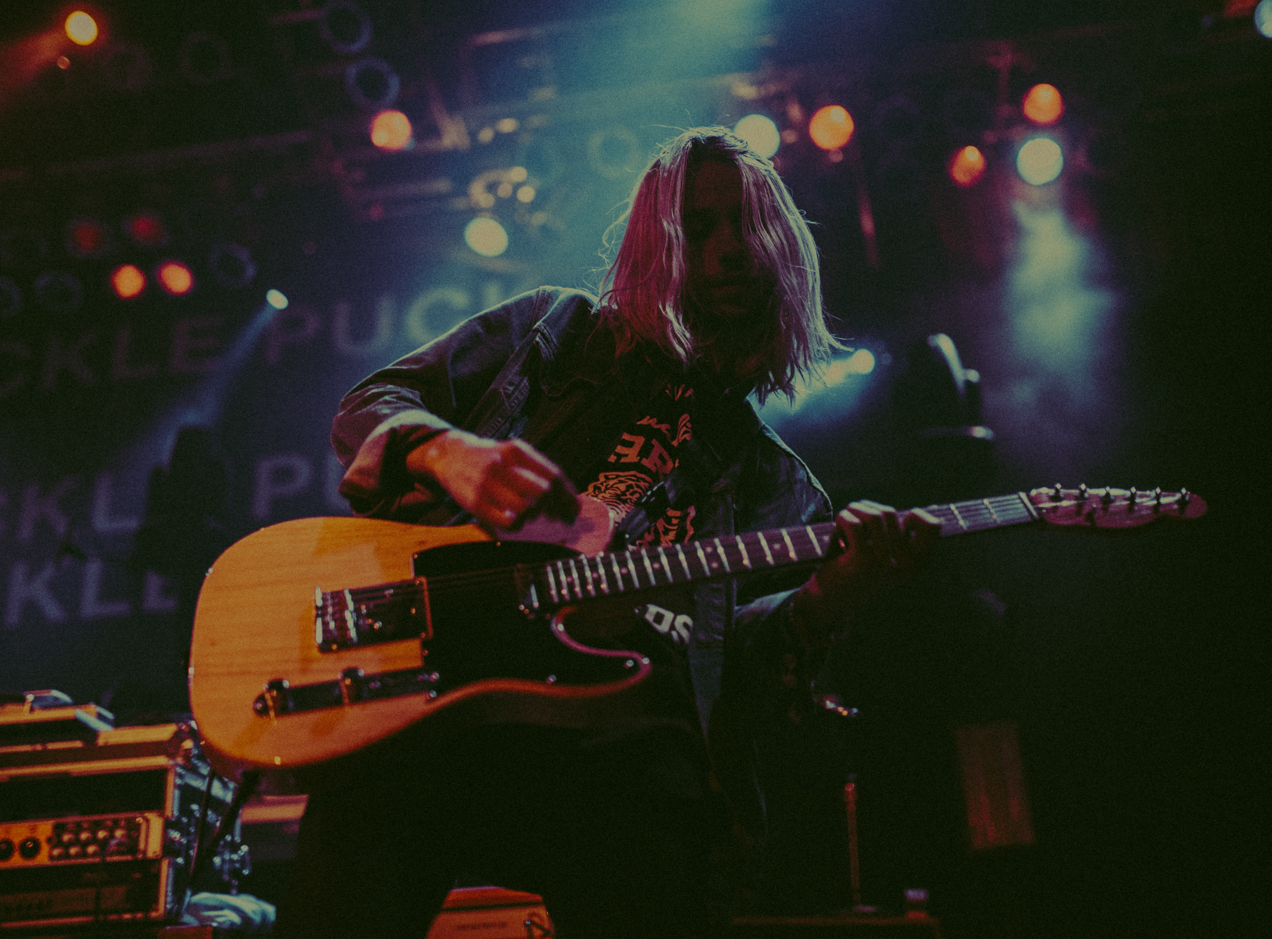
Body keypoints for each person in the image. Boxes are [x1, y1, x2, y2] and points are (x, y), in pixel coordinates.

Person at [273, 128, 938, 938]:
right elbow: (368, 406)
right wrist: (449, 452)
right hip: (434, 698)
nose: (730, 249)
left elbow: (745, 676)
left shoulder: (781, 487)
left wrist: (832, 594)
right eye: (699, 227)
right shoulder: (555, 330)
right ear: (658, 244)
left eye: (748, 225)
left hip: (615, 761)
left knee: (668, 808)